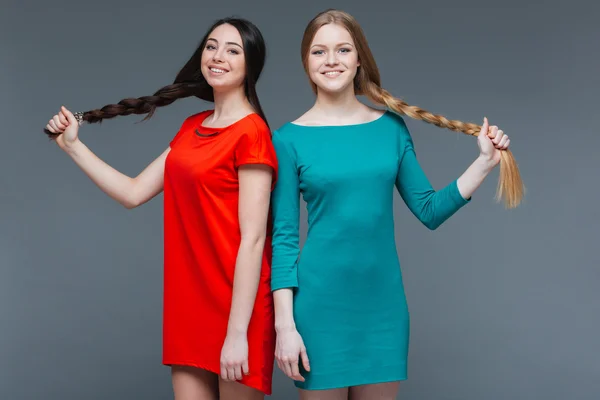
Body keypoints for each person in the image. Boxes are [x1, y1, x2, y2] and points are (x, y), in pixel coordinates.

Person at [269, 9, 523, 400]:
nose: (331, 60)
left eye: (342, 49)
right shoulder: (287, 140)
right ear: (306, 61)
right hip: (318, 310)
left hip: (382, 308)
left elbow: (429, 210)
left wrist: (485, 163)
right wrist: (285, 327)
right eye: (319, 52)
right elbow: (284, 239)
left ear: (358, 60)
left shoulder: (390, 128)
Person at [44, 17, 278, 400]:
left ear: (250, 65)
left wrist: (238, 332)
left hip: (238, 307)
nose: (218, 56)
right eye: (211, 46)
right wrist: (73, 147)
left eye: (233, 50)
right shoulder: (192, 127)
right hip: (189, 305)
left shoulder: (252, 133)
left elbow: (253, 240)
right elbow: (133, 193)